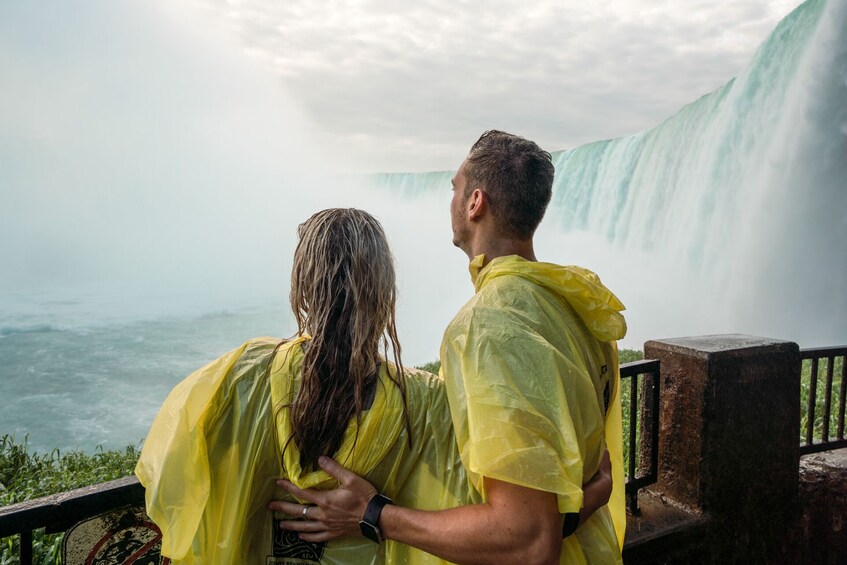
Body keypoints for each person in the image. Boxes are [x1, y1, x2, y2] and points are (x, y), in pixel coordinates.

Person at [136, 207, 613, 564]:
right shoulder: (424, 404)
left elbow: (174, 480)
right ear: (385, 293)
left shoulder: (238, 379)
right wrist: (588, 498)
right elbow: (503, 525)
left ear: (302, 288)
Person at [274, 131, 627, 564]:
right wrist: (587, 499)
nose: (451, 200)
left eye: (455, 189)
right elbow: (586, 466)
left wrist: (371, 513)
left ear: (475, 203)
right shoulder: (575, 306)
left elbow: (528, 540)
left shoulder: (488, 327)